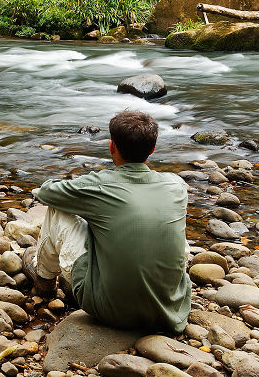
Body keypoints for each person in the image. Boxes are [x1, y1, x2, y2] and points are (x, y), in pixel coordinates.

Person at [24, 110, 191, 333]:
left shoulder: (101, 184)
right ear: (152, 149)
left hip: (111, 311)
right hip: (169, 311)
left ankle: (44, 281)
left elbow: (46, 192)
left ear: (112, 146)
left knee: (58, 210)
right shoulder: (176, 185)